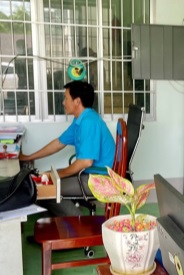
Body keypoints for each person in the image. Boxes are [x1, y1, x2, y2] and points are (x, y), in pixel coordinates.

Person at [19, 81, 115, 216]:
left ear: (77, 101)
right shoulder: (80, 119)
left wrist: (57, 175)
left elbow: (86, 162)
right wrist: (29, 157)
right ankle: (57, 229)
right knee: (41, 181)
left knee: (46, 188)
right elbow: (58, 143)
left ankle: (79, 225)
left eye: (66, 98)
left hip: (100, 179)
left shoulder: (89, 122)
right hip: (89, 173)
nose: (63, 102)